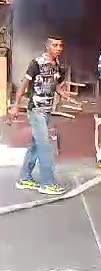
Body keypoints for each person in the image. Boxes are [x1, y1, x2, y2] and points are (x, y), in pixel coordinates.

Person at [9, 36, 69, 195]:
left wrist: (64, 93)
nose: (58, 48)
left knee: (36, 146)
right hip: (36, 110)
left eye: (61, 45)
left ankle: (24, 178)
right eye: (55, 45)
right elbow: (23, 86)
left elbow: (55, 85)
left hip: (47, 110)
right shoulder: (36, 63)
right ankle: (47, 183)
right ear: (48, 46)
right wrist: (15, 106)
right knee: (45, 147)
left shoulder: (57, 65)